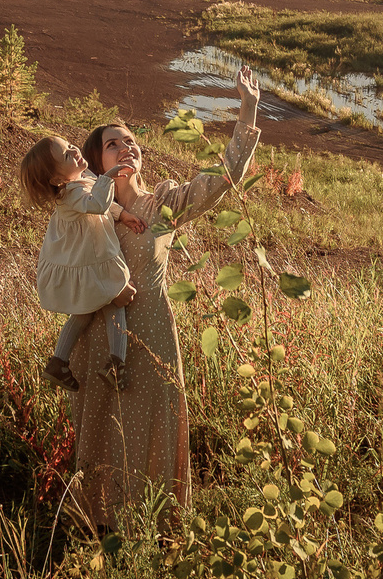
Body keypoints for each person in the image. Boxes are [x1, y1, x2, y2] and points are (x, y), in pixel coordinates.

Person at [67, 64, 261, 532]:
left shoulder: (162, 204)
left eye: (131, 140)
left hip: (151, 328)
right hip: (95, 334)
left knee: (153, 424)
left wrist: (248, 109)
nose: (127, 146)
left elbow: (220, 179)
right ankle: (97, 530)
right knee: (98, 431)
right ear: (96, 161)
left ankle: (156, 529)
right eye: (114, 142)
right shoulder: (82, 207)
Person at [19, 135, 142, 393]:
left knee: (85, 312)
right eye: (66, 155)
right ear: (57, 180)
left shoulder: (80, 179)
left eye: (70, 146)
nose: (75, 151)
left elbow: (105, 206)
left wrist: (124, 214)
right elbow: (97, 204)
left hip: (91, 260)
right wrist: (109, 176)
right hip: (93, 261)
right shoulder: (68, 194)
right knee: (116, 302)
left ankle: (59, 362)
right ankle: (116, 363)